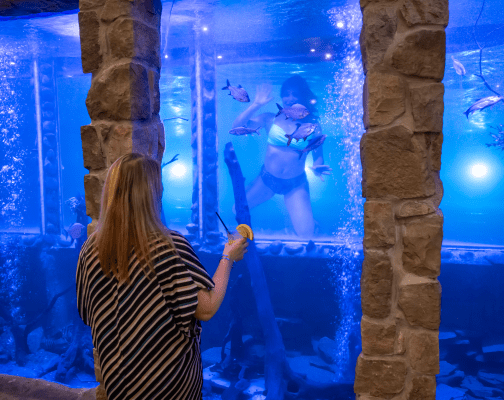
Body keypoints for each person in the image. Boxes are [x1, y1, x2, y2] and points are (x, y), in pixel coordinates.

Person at [76, 153, 247, 400]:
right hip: (167, 386)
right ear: (152, 194)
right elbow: (207, 308)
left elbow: (86, 313)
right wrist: (228, 257)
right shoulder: (168, 246)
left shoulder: (90, 247)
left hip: (119, 385)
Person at [232, 75, 331, 238]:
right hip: (267, 180)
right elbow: (236, 128)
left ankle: (312, 223)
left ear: (302, 97)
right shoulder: (269, 118)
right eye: (286, 94)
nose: (290, 98)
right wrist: (255, 105)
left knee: (306, 234)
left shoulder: (313, 125)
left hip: (295, 184)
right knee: (237, 209)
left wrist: (317, 166)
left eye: (295, 94)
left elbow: (318, 155)